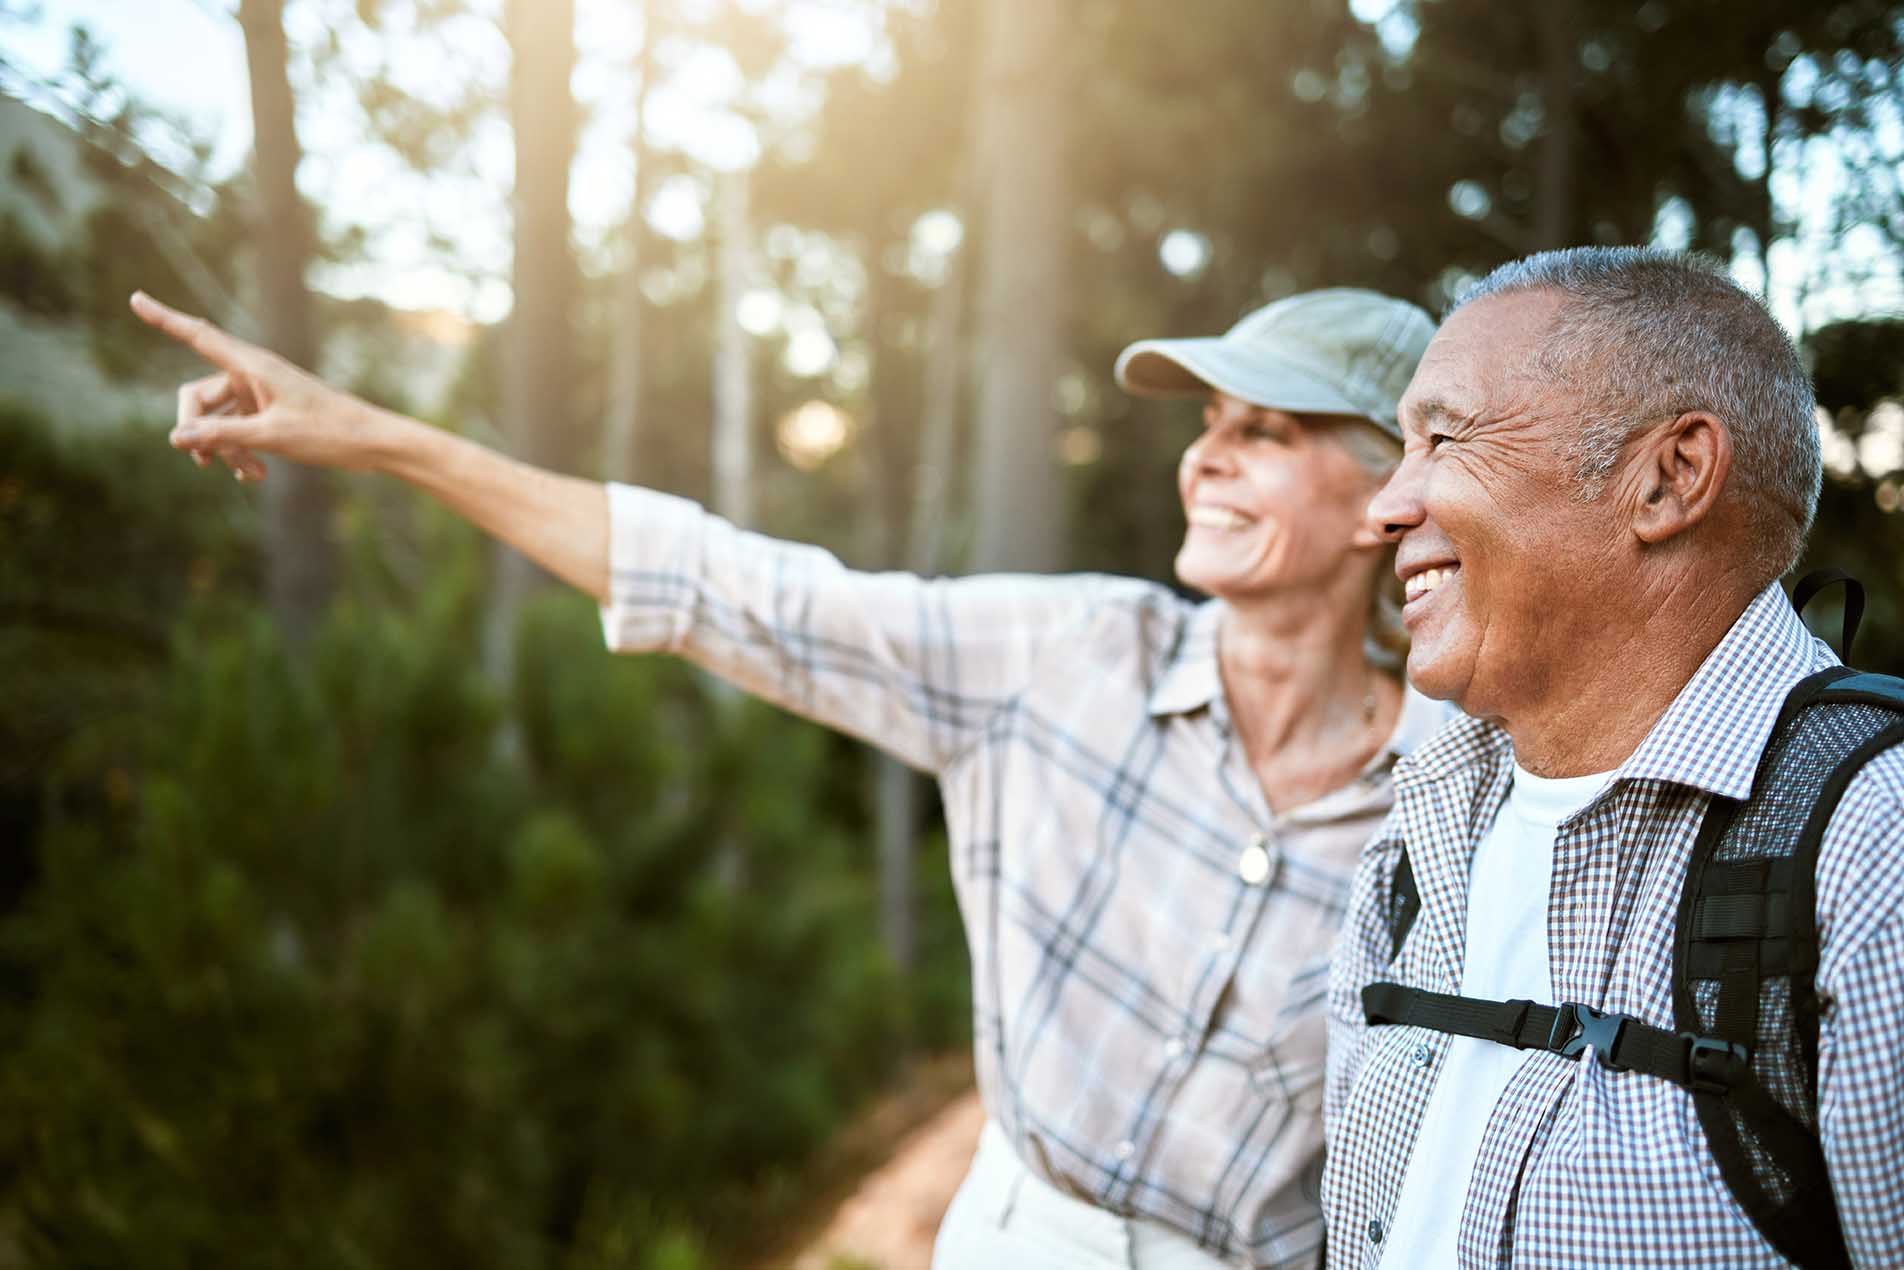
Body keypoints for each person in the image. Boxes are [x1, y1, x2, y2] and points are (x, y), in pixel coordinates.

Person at [132, 284, 1441, 1269]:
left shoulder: (1453, 788)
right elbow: (730, 587)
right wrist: (378, 439)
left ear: (1390, 492)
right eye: (1207, 424)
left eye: (1263, 432)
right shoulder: (1067, 652)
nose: (1202, 457)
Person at [1323, 247, 1904, 1267]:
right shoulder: (1419, 824)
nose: (1381, 508)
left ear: (1666, 477)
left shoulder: (1874, 841)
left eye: (1443, 438)